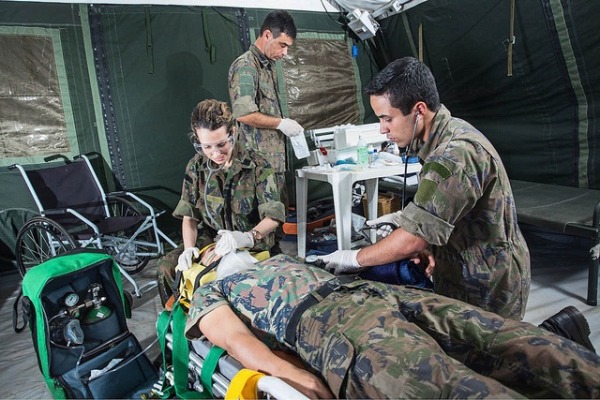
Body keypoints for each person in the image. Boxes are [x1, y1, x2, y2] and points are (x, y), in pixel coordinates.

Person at [185, 254, 598, 399]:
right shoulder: (214, 289)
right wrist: (292, 374)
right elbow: (234, 339)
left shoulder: (284, 260)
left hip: (376, 295)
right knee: (452, 388)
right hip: (331, 326)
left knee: (517, 340)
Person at [317, 57, 530, 320]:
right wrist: (424, 241)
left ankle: (564, 333)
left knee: (492, 356)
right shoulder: (432, 140)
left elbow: (411, 240)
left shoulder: (456, 153)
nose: (383, 129)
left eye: (388, 118)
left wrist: (352, 258)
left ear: (418, 110)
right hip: (458, 267)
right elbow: (446, 210)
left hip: (487, 281)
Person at [156, 99, 286, 305]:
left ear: (233, 133)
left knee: (237, 281)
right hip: (210, 239)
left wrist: (247, 237)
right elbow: (189, 216)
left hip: (252, 243)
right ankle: (180, 319)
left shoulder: (258, 166)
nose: (215, 153)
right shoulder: (196, 167)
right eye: (207, 146)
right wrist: (190, 249)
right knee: (167, 268)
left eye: (221, 144)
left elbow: (273, 218)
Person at [228, 10, 303, 206]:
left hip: (272, 164)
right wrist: (281, 123)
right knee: (263, 226)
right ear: (268, 35)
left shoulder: (267, 66)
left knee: (277, 222)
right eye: (283, 45)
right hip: (256, 167)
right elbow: (243, 114)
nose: (285, 53)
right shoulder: (246, 66)